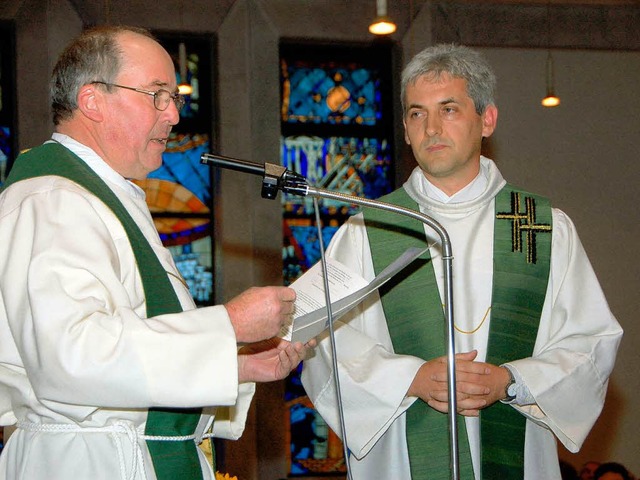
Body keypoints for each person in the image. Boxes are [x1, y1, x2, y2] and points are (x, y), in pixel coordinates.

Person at [0, 25, 311, 480]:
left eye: (175, 98)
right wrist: (228, 324)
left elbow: (126, 340)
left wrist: (235, 364)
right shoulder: (53, 199)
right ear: (92, 101)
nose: (173, 116)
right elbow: (73, 355)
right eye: (157, 95)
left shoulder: (105, 192)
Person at [301, 43, 623, 479]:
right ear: (405, 128)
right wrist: (409, 380)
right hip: (401, 455)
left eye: (448, 109)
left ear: (486, 119)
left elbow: (591, 343)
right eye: (417, 113)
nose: (431, 127)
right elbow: (318, 340)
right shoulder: (368, 231)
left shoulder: (540, 227)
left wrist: (510, 380)